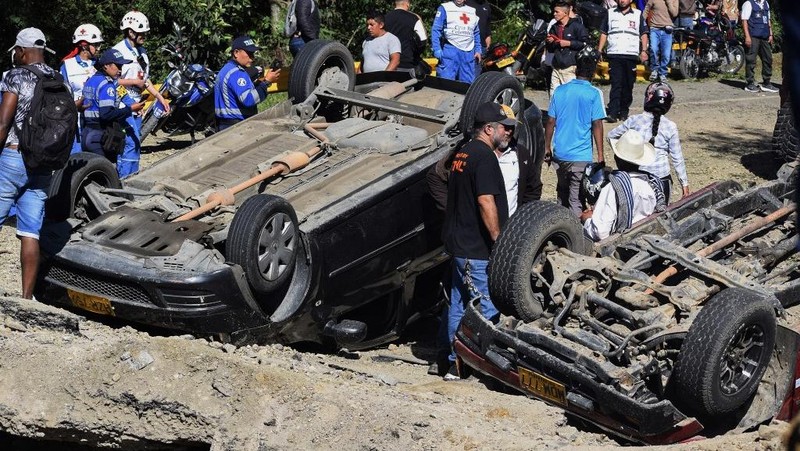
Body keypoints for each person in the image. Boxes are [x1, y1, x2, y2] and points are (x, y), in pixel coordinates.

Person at [440, 101, 512, 380]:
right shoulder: (484, 157)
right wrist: (498, 240)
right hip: (476, 248)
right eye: (505, 128)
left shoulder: (464, 152)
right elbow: (485, 201)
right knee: (486, 307)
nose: (509, 133)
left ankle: (455, 363)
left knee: (459, 306)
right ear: (489, 129)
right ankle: (483, 364)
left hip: (459, 244)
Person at [0, 28, 63, 299]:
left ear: (22, 51)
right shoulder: (58, 78)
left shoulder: (16, 76)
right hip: (44, 163)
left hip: (14, 157)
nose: (15, 55)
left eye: (16, 51)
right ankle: (27, 298)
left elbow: (3, 123)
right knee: (30, 232)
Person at [545, 46, 606, 218]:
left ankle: (560, 226)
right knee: (576, 199)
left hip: (560, 154)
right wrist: (600, 155)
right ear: (593, 73)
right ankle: (576, 231)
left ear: (576, 69)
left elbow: (550, 121)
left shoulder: (560, 91)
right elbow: (597, 124)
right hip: (580, 156)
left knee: (562, 194)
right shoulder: (594, 94)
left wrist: (547, 147)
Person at [608, 81, 688, 203]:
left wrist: (622, 152)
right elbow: (677, 158)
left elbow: (611, 136)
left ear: (648, 98)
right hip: (662, 180)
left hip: (638, 177)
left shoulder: (634, 120)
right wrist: (684, 184)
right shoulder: (670, 126)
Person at [112, 10, 169, 178]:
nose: (144, 35)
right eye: (141, 32)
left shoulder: (142, 51)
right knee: (128, 143)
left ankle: (134, 177)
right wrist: (132, 89)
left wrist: (160, 97)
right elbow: (113, 82)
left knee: (136, 143)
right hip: (123, 105)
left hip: (137, 105)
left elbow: (145, 79)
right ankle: (122, 179)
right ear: (131, 32)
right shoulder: (118, 51)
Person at [582, 129, 666, 241]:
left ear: (616, 158)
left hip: (623, 243)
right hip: (647, 235)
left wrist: (587, 220)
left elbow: (600, 232)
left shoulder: (614, 187)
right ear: (640, 162)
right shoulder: (651, 184)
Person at [81, 49, 143, 161]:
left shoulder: (91, 80)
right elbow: (106, 114)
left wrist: (132, 104)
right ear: (106, 66)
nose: (120, 70)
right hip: (99, 136)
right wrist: (130, 109)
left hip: (87, 134)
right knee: (107, 171)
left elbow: (122, 93)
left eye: (121, 66)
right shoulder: (107, 85)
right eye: (118, 66)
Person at [214, 36, 280, 131]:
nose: (252, 58)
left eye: (253, 54)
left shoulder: (226, 69)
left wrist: (260, 83)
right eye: (249, 53)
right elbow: (248, 100)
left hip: (225, 125)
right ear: (236, 53)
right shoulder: (237, 73)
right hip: (236, 127)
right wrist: (266, 82)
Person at [598, 0, 649, 123]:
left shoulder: (637, 14)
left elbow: (643, 34)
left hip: (630, 54)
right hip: (614, 54)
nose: (622, 1)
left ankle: (624, 111)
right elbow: (604, 33)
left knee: (628, 84)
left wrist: (644, 50)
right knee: (616, 84)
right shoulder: (610, 13)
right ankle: (613, 112)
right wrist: (599, 50)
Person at [60, 24, 104, 154]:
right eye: (96, 45)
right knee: (77, 158)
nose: (99, 48)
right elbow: (62, 94)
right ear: (84, 46)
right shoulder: (67, 65)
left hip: (98, 123)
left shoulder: (101, 65)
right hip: (76, 123)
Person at [431, 0, 482, 83]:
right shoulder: (445, 8)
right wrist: (436, 48)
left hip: (468, 52)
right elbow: (436, 29)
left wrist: (478, 50)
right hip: (450, 49)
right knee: (446, 81)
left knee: (467, 83)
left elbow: (476, 33)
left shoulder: (472, 11)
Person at [546, 1, 589, 95]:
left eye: (557, 12)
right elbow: (550, 49)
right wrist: (550, 42)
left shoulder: (577, 26)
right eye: (554, 11)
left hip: (570, 67)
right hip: (556, 66)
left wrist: (569, 43)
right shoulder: (554, 27)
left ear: (565, 13)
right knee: (554, 95)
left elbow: (585, 44)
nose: (554, 14)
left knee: (569, 95)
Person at [742, 0, 778, 93]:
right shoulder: (748, 3)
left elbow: (768, 20)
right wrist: (747, 36)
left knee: (768, 59)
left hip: (764, 36)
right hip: (753, 36)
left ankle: (766, 83)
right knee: (751, 60)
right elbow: (744, 21)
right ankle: (749, 83)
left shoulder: (766, 3)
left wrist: (770, 34)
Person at [384, 0, 429, 75]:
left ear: (395, 3)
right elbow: (423, 41)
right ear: (407, 4)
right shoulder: (414, 18)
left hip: (388, 64)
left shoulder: (385, 18)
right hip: (408, 63)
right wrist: (416, 54)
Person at [643, 0, 678, 82]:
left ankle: (663, 73)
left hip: (667, 30)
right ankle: (654, 70)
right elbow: (646, 10)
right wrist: (641, 23)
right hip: (654, 28)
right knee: (653, 49)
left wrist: (668, 2)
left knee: (666, 54)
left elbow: (674, 13)